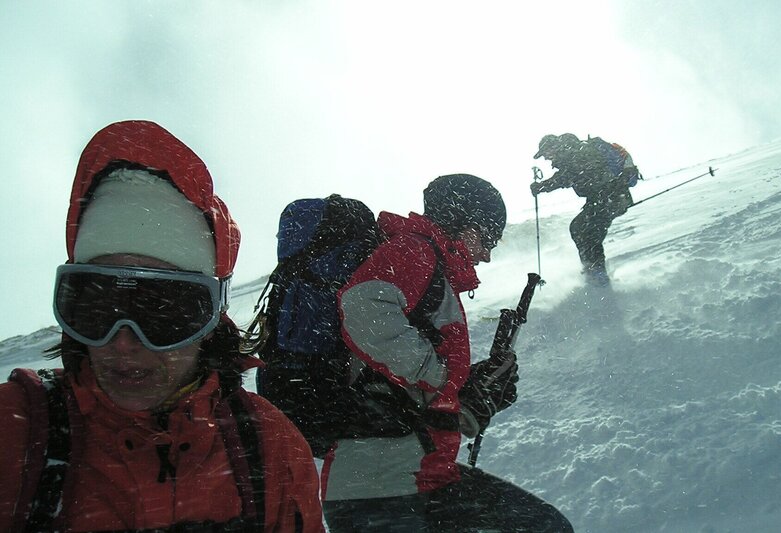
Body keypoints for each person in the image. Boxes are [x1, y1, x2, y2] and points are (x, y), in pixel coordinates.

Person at [0, 120, 324, 532]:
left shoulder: (270, 448)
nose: (123, 343)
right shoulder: (15, 433)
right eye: (96, 306)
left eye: (163, 311)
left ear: (209, 320)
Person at [321, 174, 572, 531]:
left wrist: (473, 396)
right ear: (468, 228)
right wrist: (446, 379)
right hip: (382, 491)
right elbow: (363, 309)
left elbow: (407, 394)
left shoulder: (432, 272)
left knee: (546, 525)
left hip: (413, 479)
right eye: (489, 240)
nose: (487, 254)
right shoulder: (414, 251)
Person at [531, 133, 641, 284]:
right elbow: (569, 176)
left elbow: (567, 177)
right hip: (605, 199)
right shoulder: (573, 154)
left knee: (587, 232)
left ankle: (597, 276)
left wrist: (543, 186)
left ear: (553, 147)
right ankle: (593, 271)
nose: (546, 158)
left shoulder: (575, 153)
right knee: (580, 229)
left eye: (546, 154)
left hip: (611, 197)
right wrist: (544, 186)